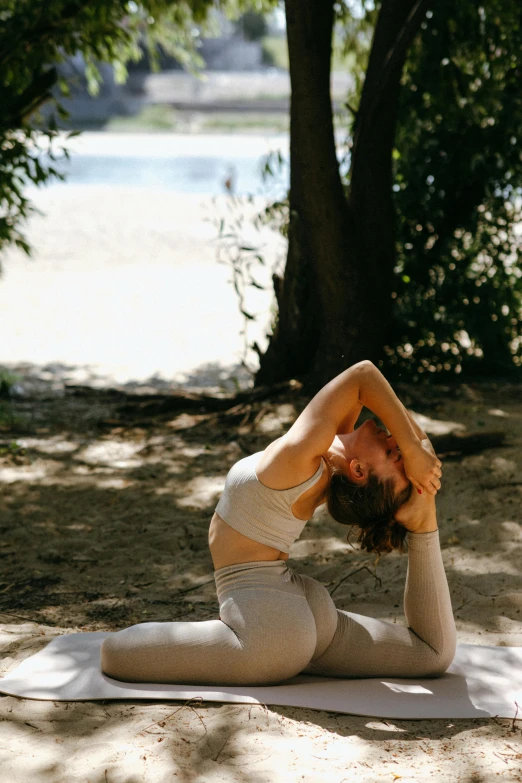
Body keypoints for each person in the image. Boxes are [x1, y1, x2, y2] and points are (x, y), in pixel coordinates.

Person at [101, 361, 456, 685]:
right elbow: (367, 388)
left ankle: (423, 518)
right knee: (430, 653)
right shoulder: (324, 455)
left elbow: (363, 376)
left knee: (113, 654)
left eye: (394, 454)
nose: (396, 438)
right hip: (300, 611)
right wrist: (417, 452)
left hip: (269, 632)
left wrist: (413, 448)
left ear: (359, 470)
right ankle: (422, 521)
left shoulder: (300, 458)